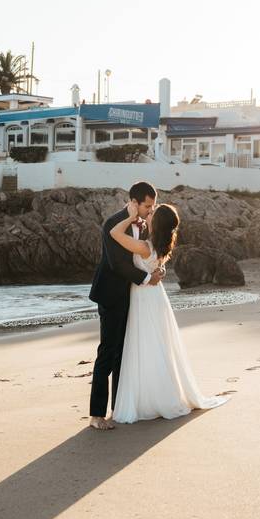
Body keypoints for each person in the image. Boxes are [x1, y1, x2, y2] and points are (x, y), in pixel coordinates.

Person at [108, 199, 229, 424]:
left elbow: (114, 232)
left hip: (144, 297)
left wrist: (128, 216)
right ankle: (158, 394)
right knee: (156, 345)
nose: (149, 214)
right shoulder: (160, 247)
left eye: (153, 214)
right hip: (154, 297)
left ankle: (151, 398)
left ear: (158, 223)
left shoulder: (145, 247)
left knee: (145, 344)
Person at [87, 182, 164, 430]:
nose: (150, 211)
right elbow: (116, 264)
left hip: (131, 296)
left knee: (124, 353)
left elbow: (143, 256)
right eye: (147, 206)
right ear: (133, 202)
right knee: (108, 353)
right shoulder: (113, 223)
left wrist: (155, 268)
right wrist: (146, 279)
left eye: (152, 206)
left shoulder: (141, 224)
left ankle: (119, 409)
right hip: (111, 295)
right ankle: (96, 415)